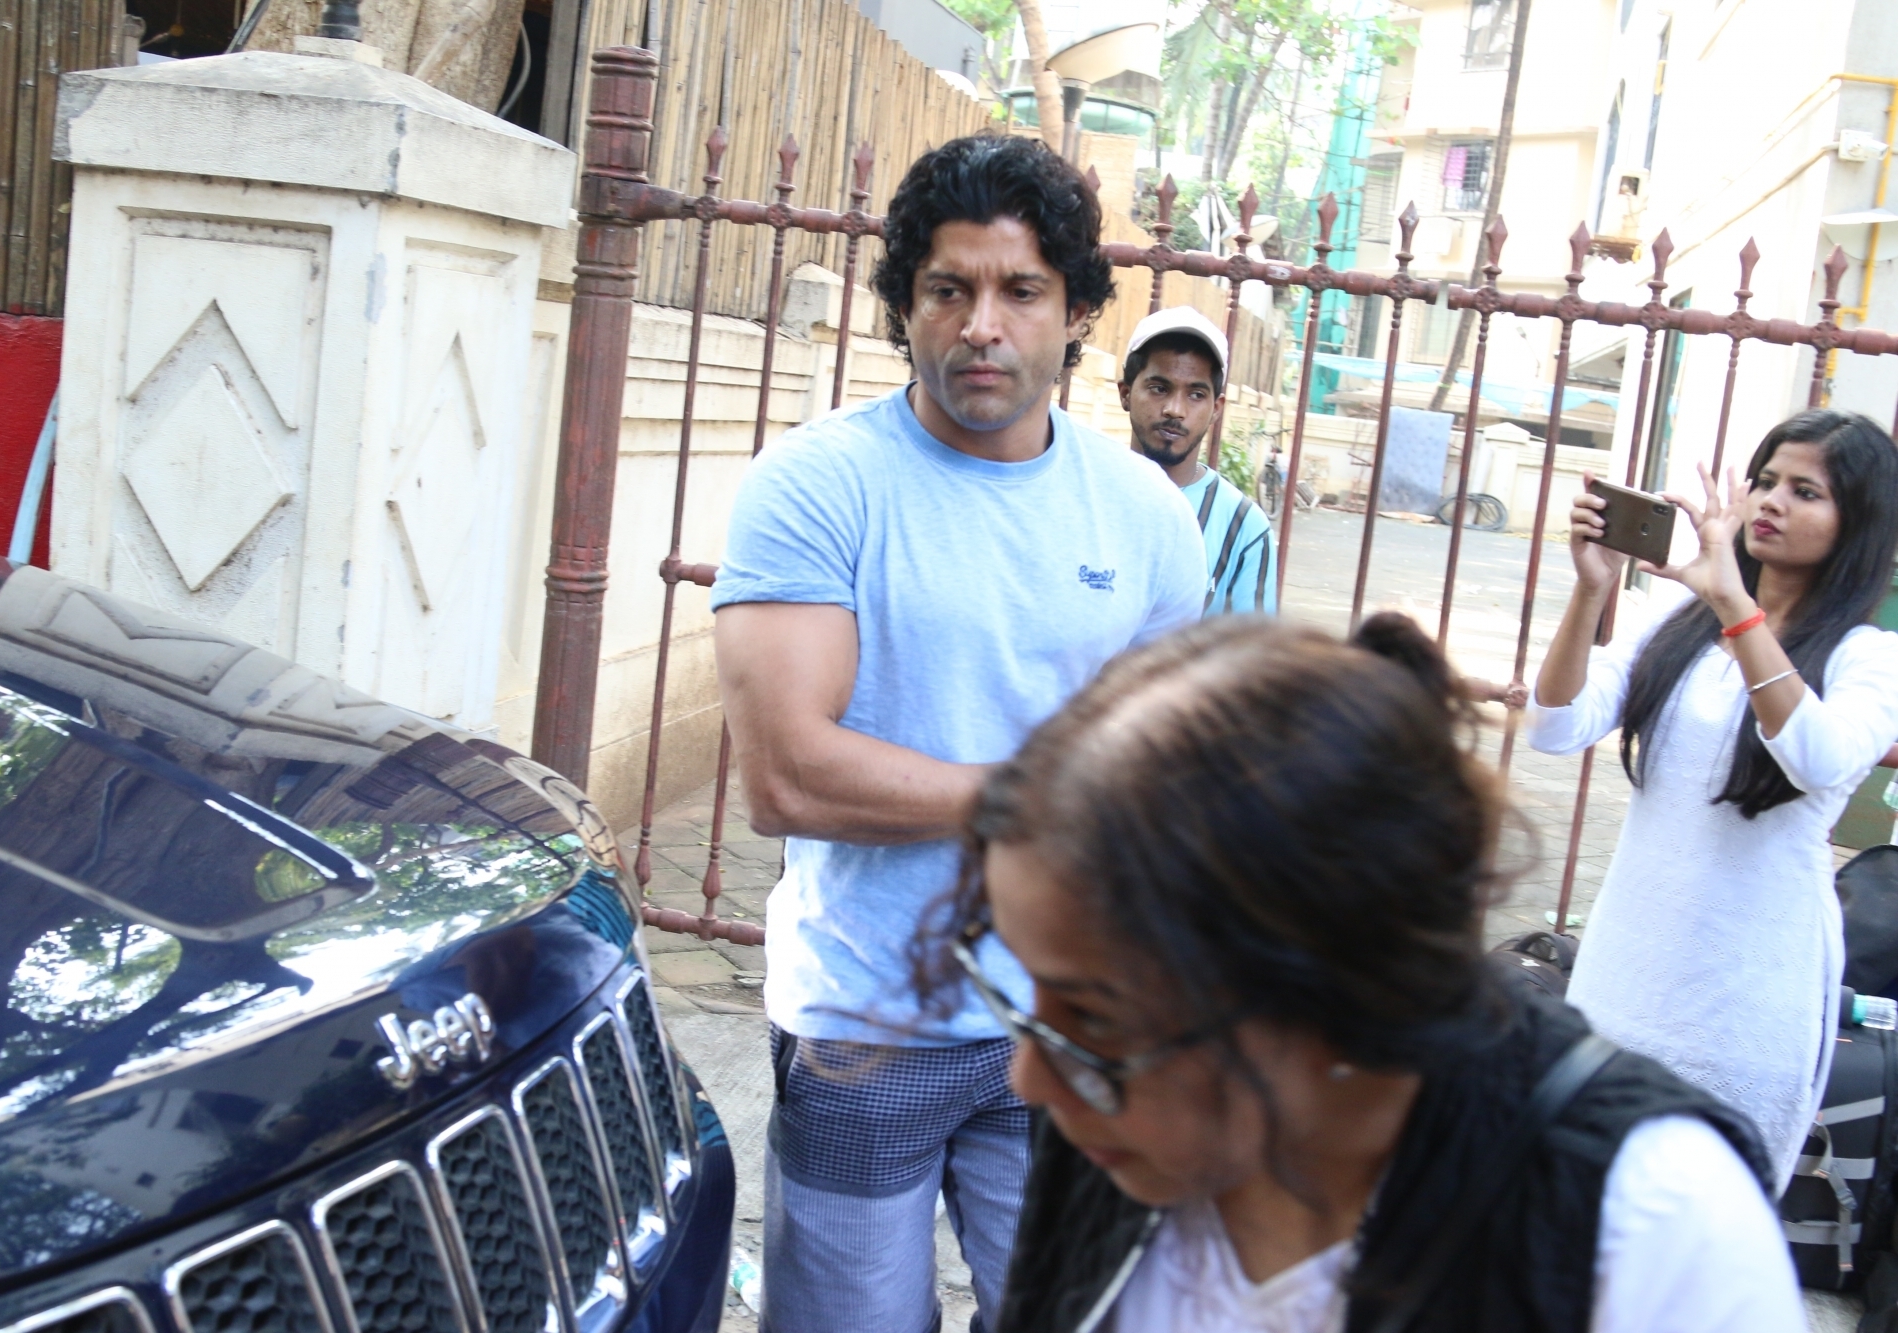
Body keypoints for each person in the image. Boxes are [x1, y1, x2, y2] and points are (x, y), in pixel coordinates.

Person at [920, 614, 1803, 1332]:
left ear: (1326, 974)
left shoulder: (1649, 1222)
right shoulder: (1118, 1130)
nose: (1030, 1078)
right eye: (1025, 994)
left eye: (1097, 1015)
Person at [710, 134, 1206, 1332]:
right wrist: (1045, 797)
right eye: (948, 288)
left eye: (1019, 290)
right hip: (866, 1020)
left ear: (1075, 311)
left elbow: (1158, 777)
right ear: (904, 304)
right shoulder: (817, 485)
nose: (981, 326)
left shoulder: (1143, 516)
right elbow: (787, 774)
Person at [1529, 409, 1898, 1185]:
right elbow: (1556, 726)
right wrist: (1591, 589)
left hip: (1749, 993)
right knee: (1577, 1201)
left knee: (1705, 1213)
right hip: (1627, 964)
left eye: (1805, 491)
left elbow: (1815, 758)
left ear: (1858, 521)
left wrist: (1736, 607)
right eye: (1765, 480)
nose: (1771, 502)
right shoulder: (1675, 619)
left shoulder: (1869, 657)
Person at [1117, 306, 1276, 615]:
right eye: (1159, 388)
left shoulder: (1242, 526)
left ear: (1216, 409)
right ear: (1125, 393)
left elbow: (1251, 643)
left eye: (1196, 395)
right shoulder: (1082, 494)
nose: (1175, 410)